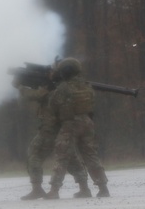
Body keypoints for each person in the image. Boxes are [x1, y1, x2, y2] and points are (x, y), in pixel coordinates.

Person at [13, 65, 90, 200]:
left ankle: (37, 188)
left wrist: (20, 87)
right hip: (62, 128)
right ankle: (84, 188)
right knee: (71, 159)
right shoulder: (64, 86)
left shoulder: (54, 87)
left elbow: (36, 95)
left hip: (50, 129)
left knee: (34, 154)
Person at [45, 57, 110, 199]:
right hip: (87, 122)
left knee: (62, 156)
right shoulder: (87, 86)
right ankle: (103, 188)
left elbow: (52, 107)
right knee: (91, 156)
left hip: (70, 124)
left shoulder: (63, 88)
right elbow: (91, 105)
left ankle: (54, 190)